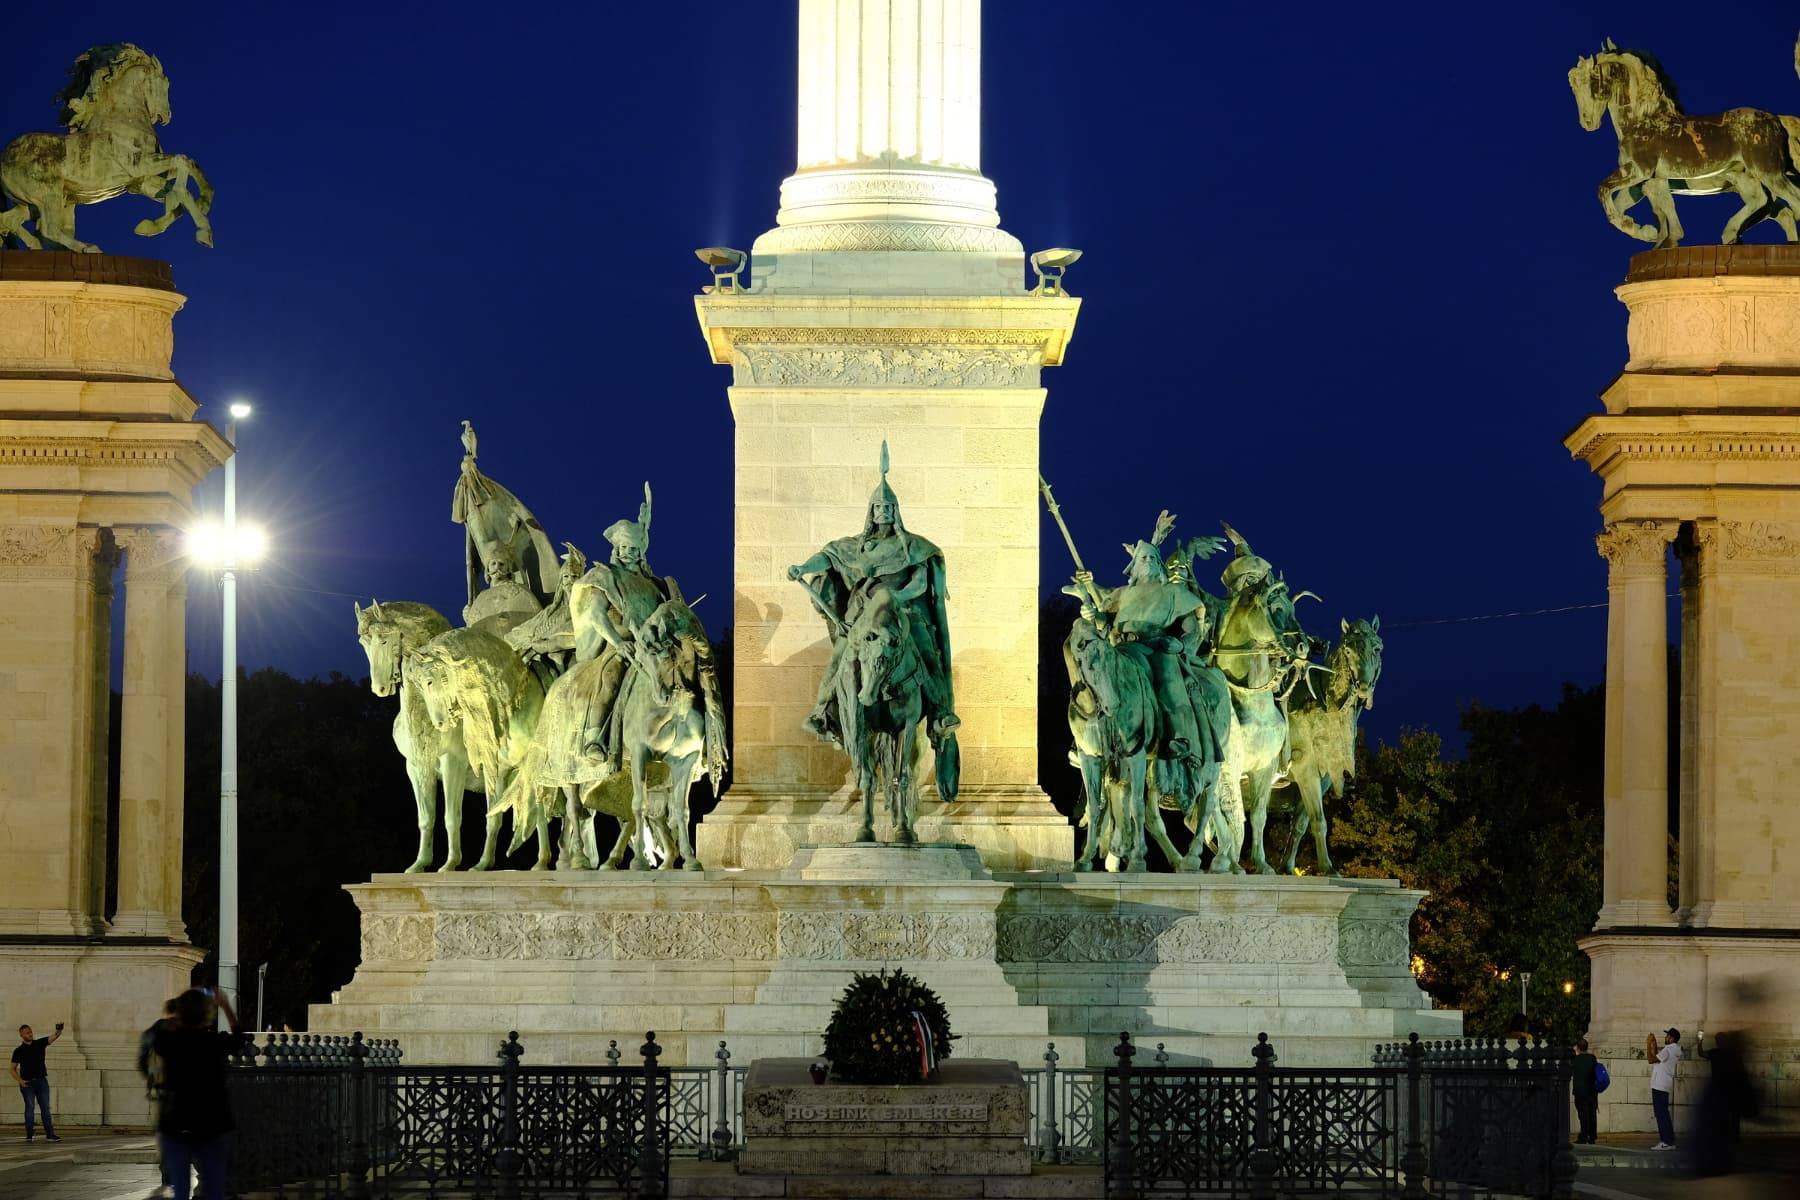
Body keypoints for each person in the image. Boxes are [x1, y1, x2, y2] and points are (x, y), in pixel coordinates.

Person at [153, 989, 247, 1200]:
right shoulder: (214, 1043)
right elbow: (239, 1038)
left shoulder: (169, 1042)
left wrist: (176, 1012)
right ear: (207, 1015)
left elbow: (160, 1033)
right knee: (214, 1189)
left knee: (181, 1190)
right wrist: (225, 1006)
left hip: (176, 1123)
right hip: (212, 1123)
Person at [138, 999, 179, 1198]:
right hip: (183, 1090)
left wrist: (152, 1079)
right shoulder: (184, 1030)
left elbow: (141, 1061)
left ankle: (167, 1172)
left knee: (165, 1132)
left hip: (162, 1089)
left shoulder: (152, 1031)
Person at [11, 1020, 65, 1142]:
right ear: (21, 1035)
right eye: (26, 1032)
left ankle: (50, 1134)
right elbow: (12, 1069)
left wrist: (59, 1030)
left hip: (41, 1082)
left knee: (45, 1108)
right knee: (29, 1108)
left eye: (30, 1031)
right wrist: (20, 1081)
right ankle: (29, 1134)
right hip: (27, 1083)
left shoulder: (39, 1043)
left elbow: (54, 1037)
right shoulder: (18, 1050)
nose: (30, 1034)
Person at [1645, 1026, 1683, 1150]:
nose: (1665, 1037)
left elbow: (1651, 1059)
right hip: (1664, 1084)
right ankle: (1669, 1140)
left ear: (1671, 1039)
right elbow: (1657, 1057)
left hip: (1659, 1085)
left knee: (1661, 1114)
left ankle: (1666, 1141)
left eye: (1667, 1036)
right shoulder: (1673, 1050)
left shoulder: (1668, 1050)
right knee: (1663, 1114)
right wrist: (1654, 1044)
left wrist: (1648, 1044)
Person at [1571, 1037, 1600, 1145]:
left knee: (1583, 1115)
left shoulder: (1575, 1059)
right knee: (1592, 1113)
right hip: (1592, 1091)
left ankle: (1583, 1136)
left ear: (1578, 1048)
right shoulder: (1592, 1058)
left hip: (1580, 1091)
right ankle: (1592, 1136)